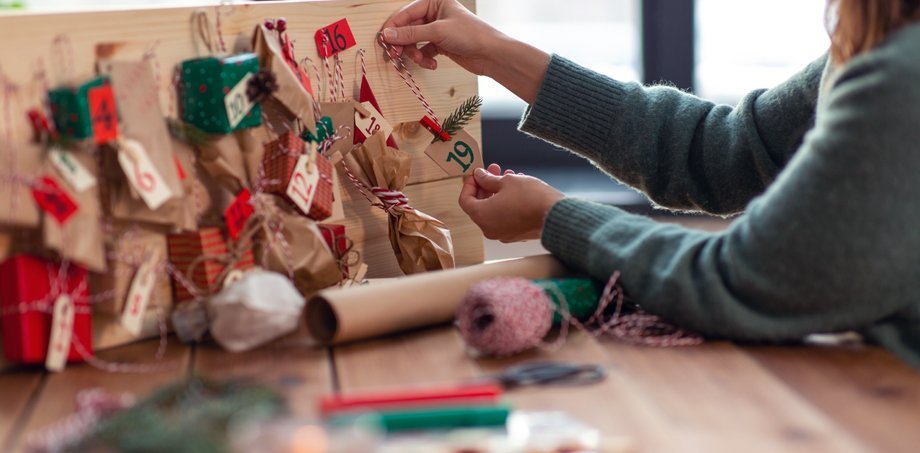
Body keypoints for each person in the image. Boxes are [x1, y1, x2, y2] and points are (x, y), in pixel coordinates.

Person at [381, 0, 920, 369]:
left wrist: (553, 218)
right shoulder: (882, 41)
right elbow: (722, 153)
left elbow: (739, 282)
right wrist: (496, 51)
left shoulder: (903, 74)